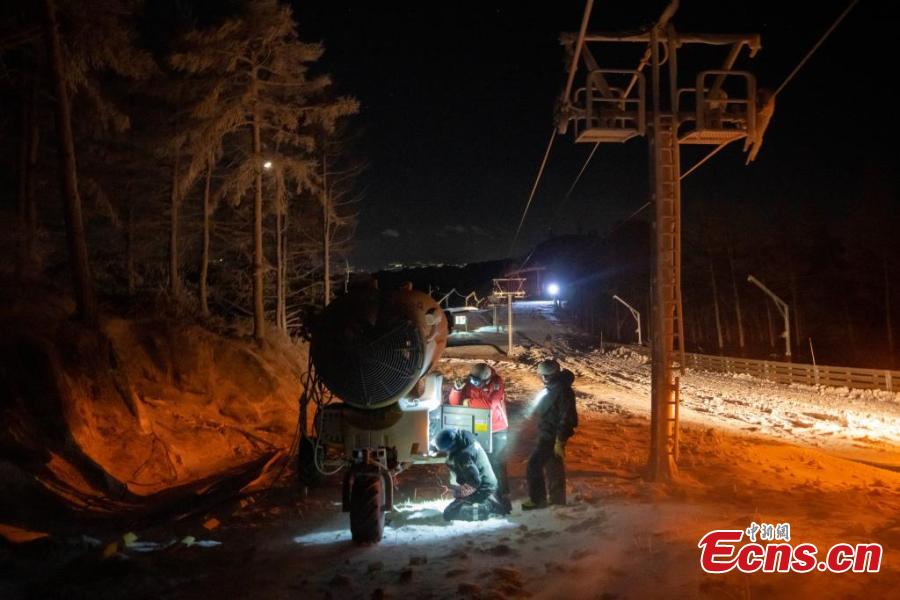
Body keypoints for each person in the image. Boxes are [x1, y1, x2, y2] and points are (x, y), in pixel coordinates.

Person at [448, 363, 510, 508]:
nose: (474, 383)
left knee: (496, 463)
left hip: (496, 429)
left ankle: (502, 498)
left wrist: (468, 402)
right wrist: (456, 390)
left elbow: (489, 405)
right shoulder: (469, 383)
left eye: (477, 381)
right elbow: (455, 403)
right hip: (477, 429)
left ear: (487, 380)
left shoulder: (496, 383)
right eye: (472, 380)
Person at [522, 359, 578, 510]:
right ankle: (557, 500)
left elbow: (568, 418)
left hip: (552, 436)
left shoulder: (563, 391)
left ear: (556, 374)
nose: (545, 378)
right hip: (546, 432)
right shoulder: (553, 387)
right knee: (553, 466)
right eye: (542, 375)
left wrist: (560, 440)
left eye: (548, 375)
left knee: (534, 465)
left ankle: (537, 500)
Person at [432, 427, 509, 521]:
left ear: (451, 447)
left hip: (483, 486)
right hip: (487, 481)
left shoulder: (464, 456)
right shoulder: (464, 437)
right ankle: (489, 501)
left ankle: (489, 508)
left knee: (449, 514)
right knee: (453, 508)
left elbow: (475, 481)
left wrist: (459, 493)